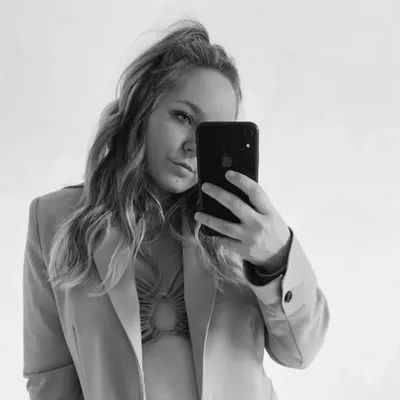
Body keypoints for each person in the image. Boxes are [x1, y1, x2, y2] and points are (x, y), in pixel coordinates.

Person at [22, 17, 330, 400]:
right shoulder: (54, 220)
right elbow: (49, 378)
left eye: (211, 133)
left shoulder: (242, 226)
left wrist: (276, 257)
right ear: (142, 108)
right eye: (184, 117)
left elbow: (301, 351)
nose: (193, 147)